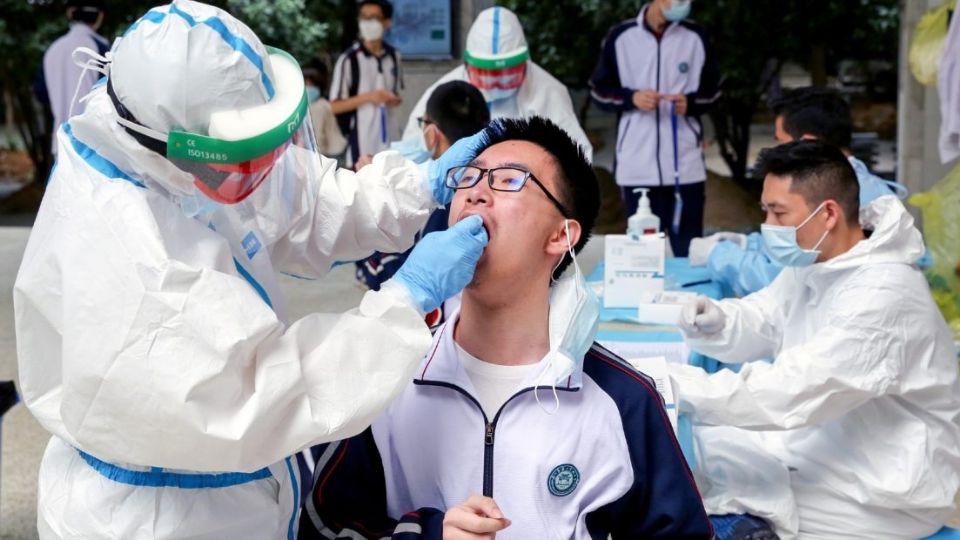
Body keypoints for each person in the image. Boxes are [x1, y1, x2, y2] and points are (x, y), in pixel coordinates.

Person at [13, 1, 494, 538]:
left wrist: (416, 187)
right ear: (183, 147)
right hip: (157, 517)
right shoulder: (135, 259)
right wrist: (404, 301)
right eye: (244, 158)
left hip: (233, 489)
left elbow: (303, 198)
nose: (266, 170)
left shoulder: (166, 134)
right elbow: (265, 396)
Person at [298, 116, 713, 539]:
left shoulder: (623, 402)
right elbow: (323, 528)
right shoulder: (386, 377)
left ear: (561, 236)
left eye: (510, 180)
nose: (476, 191)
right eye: (469, 176)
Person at [669, 141, 960, 538]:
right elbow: (768, 318)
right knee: (703, 459)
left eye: (779, 213)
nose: (768, 226)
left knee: (707, 501)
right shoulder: (820, 260)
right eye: (765, 211)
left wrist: (673, 386)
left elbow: (790, 391)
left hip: (882, 490)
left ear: (827, 214)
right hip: (831, 448)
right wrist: (718, 321)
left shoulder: (883, 294)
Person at [690, 87, 909, 296]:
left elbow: (783, 283)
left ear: (808, 143)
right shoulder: (858, 182)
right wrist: (751, 244)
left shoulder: (842, 194)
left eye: (782, 142)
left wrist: (720, 257)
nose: (779, 151)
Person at [589, 0, 721, 256]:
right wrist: (631, 98)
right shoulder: (621, 36)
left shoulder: (696, 37)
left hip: (685, 163)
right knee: (644, 252)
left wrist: (690, 103)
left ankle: (690, 294)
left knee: (689, 247)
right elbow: (598, 91)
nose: (683, 4)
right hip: (637, 162)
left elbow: (715, 92)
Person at [400, 6, 593, 163]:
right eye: (486, 73)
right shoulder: (444, 93)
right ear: (468, 64)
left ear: (525, 62)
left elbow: (578, 156)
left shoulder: (548, 91)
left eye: (506, 73)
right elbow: (413, 150)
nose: (496, 83)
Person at [355, 80, 490, 299]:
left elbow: (391, 281)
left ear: (432, 133)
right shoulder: (490, 186)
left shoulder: (439, 203)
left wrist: (372, 196)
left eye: (422, 122)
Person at [330, 0, 402, 168]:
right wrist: (370, 97)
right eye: (364, 17)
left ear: (387, 22)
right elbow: (334, 106)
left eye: (374, 18)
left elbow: (396, 94)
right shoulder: (349, 60)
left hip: (390, 142)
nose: (368, 23)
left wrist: (393, 99)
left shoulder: (394, 56)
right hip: (360, 147)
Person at [42, 0, 109, 155]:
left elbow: (42, 93)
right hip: (94, 145)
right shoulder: (101, 48)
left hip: (61, 142)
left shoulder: (53, 50)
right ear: (100, 16)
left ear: (71, 14)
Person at [304, 65, 347, 157]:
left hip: (330, 153)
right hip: (333, 150)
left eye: (310, 84)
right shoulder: (318, 103)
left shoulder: (319, 106)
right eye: (305, 83)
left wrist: (316, 161)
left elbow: (318, 136)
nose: (307, 87)